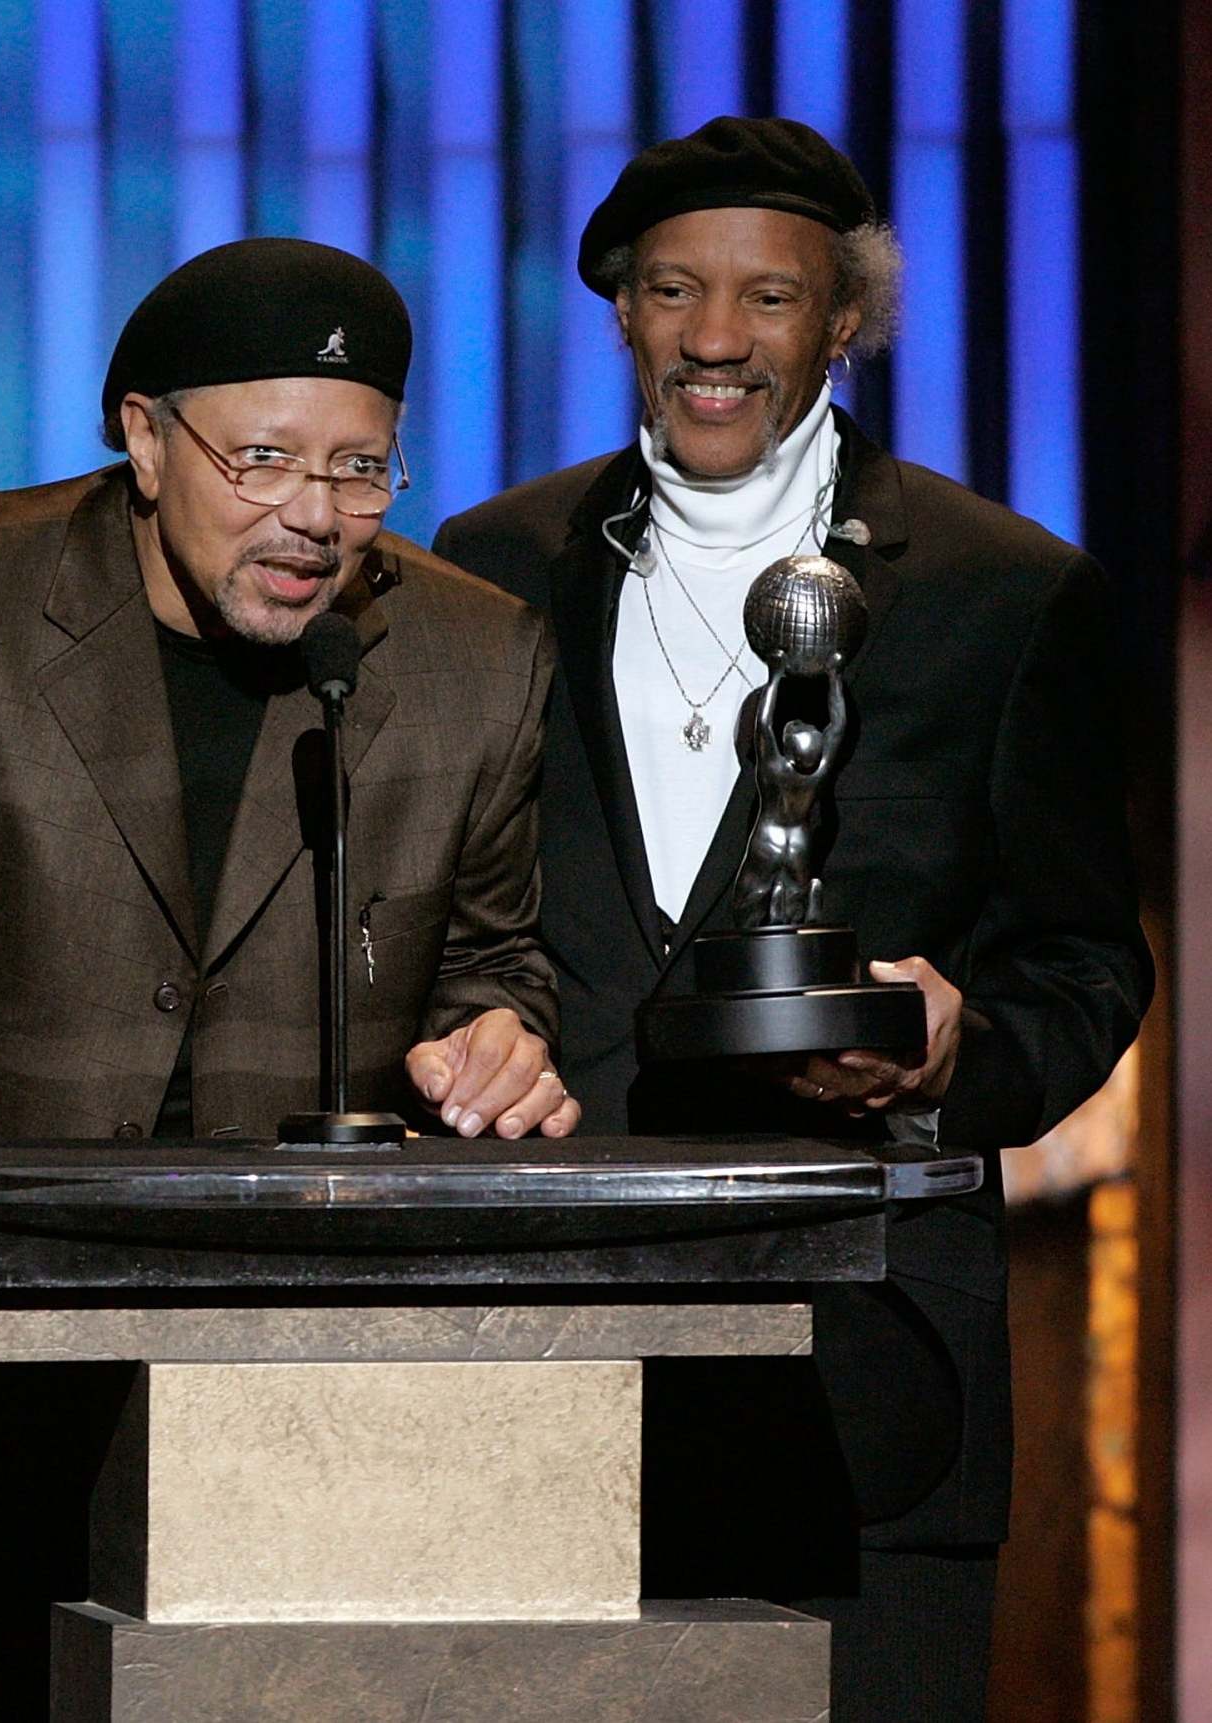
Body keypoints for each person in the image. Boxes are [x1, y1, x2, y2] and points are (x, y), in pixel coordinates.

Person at [0, 237, 572, 1719]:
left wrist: (497, 1034)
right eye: (264, 460)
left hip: (292, 1395)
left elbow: (489, 952)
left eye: (359, 473)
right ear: (142, 438)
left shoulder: (475, 658)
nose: (313, 520)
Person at [432, 115, 1152, 1721]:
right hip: (539, 1320)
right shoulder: (484, 573)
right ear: (619, 310)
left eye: (767, 301)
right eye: (672, 291)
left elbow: (1082, 962)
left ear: (842, 322)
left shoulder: (997, 591)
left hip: (861, 1346)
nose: (712, 339)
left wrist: (954, 1058)